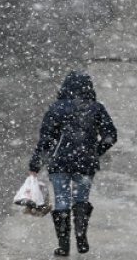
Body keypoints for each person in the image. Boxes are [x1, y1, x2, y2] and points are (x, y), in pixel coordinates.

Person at [29, 70, 117, 256]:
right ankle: (81, 236)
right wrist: (95, 152)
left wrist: (35, 166)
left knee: (61, 199)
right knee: (81, 198)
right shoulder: (96, 108)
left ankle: (63, 246)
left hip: (59, 162)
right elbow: (111, 136)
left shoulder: (55, 108)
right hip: (85, 162)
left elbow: (45, 140)